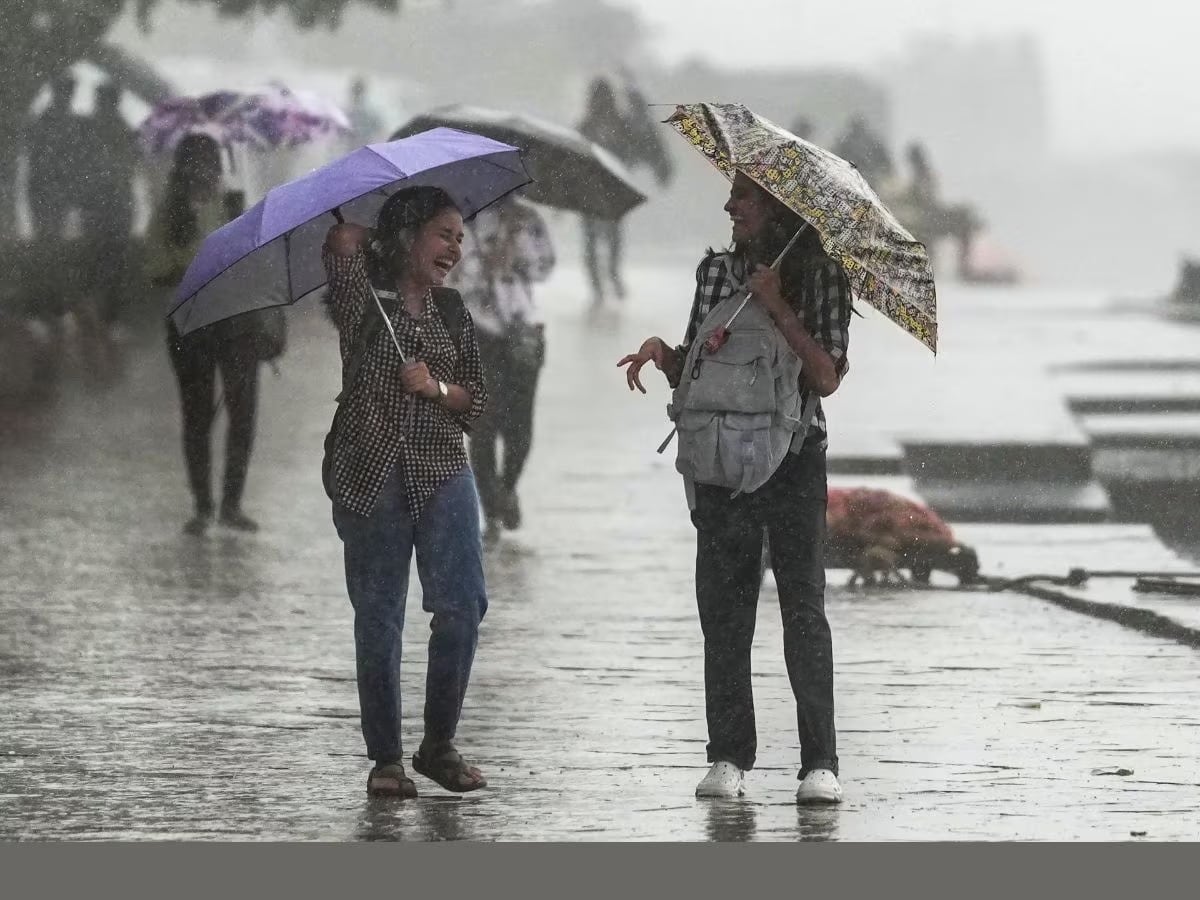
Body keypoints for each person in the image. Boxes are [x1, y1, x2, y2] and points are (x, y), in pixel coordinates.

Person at [617, 172, 854, 805]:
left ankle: (819, 762)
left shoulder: (824, 276)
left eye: (743, 197)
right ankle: (727, 756)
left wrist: (778, 303)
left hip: (796, 457)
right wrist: (664, 354)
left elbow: (826, 376)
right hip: (720, 462)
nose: (729, 206)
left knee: (803, 608)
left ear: (779, 205)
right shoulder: (715, 274)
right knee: (724, 613)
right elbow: (701, 362)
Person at [322, 185, 490, 798]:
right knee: (379, 614)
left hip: (443, 467)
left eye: (460, 239)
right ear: (411, 236)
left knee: (462, 605)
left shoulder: (451, 310)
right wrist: (367, 239)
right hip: (370, 473)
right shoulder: (363, 303)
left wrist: (436, 389)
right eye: (444, 234)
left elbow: (475, 397)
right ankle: (386, 759)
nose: (454, 248)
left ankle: (438, 745)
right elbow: (341, 248)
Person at [146, 134, 263, 536]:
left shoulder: (233, 206)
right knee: (197, 416)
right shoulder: (169, 213)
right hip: (190, 324)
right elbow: (155, 267)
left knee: (243, 413)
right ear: (184, 169)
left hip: (236, 323)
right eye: (197, 163)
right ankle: (203, 505)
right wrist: (195, 266)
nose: (205, 172)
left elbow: (253, 261)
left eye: (211, 163)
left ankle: (232, 503)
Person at [451, 193, 555, 542]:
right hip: (477, 332)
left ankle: (507, 489)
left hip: (521, 330)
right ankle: (491, 505)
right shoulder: (460, 223)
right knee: (482, 423)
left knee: (520, 421)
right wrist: (484, 265)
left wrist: (517, 257)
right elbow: (451, 276)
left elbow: (546, 266)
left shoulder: (528, 219)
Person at [577, 77, 633, 307]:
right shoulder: (593, 125)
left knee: (606, 238)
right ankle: (604, 281)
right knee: (603, 238)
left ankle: (605, 281)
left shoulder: (611, 124)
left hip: (604, 190)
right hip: (598, 191)